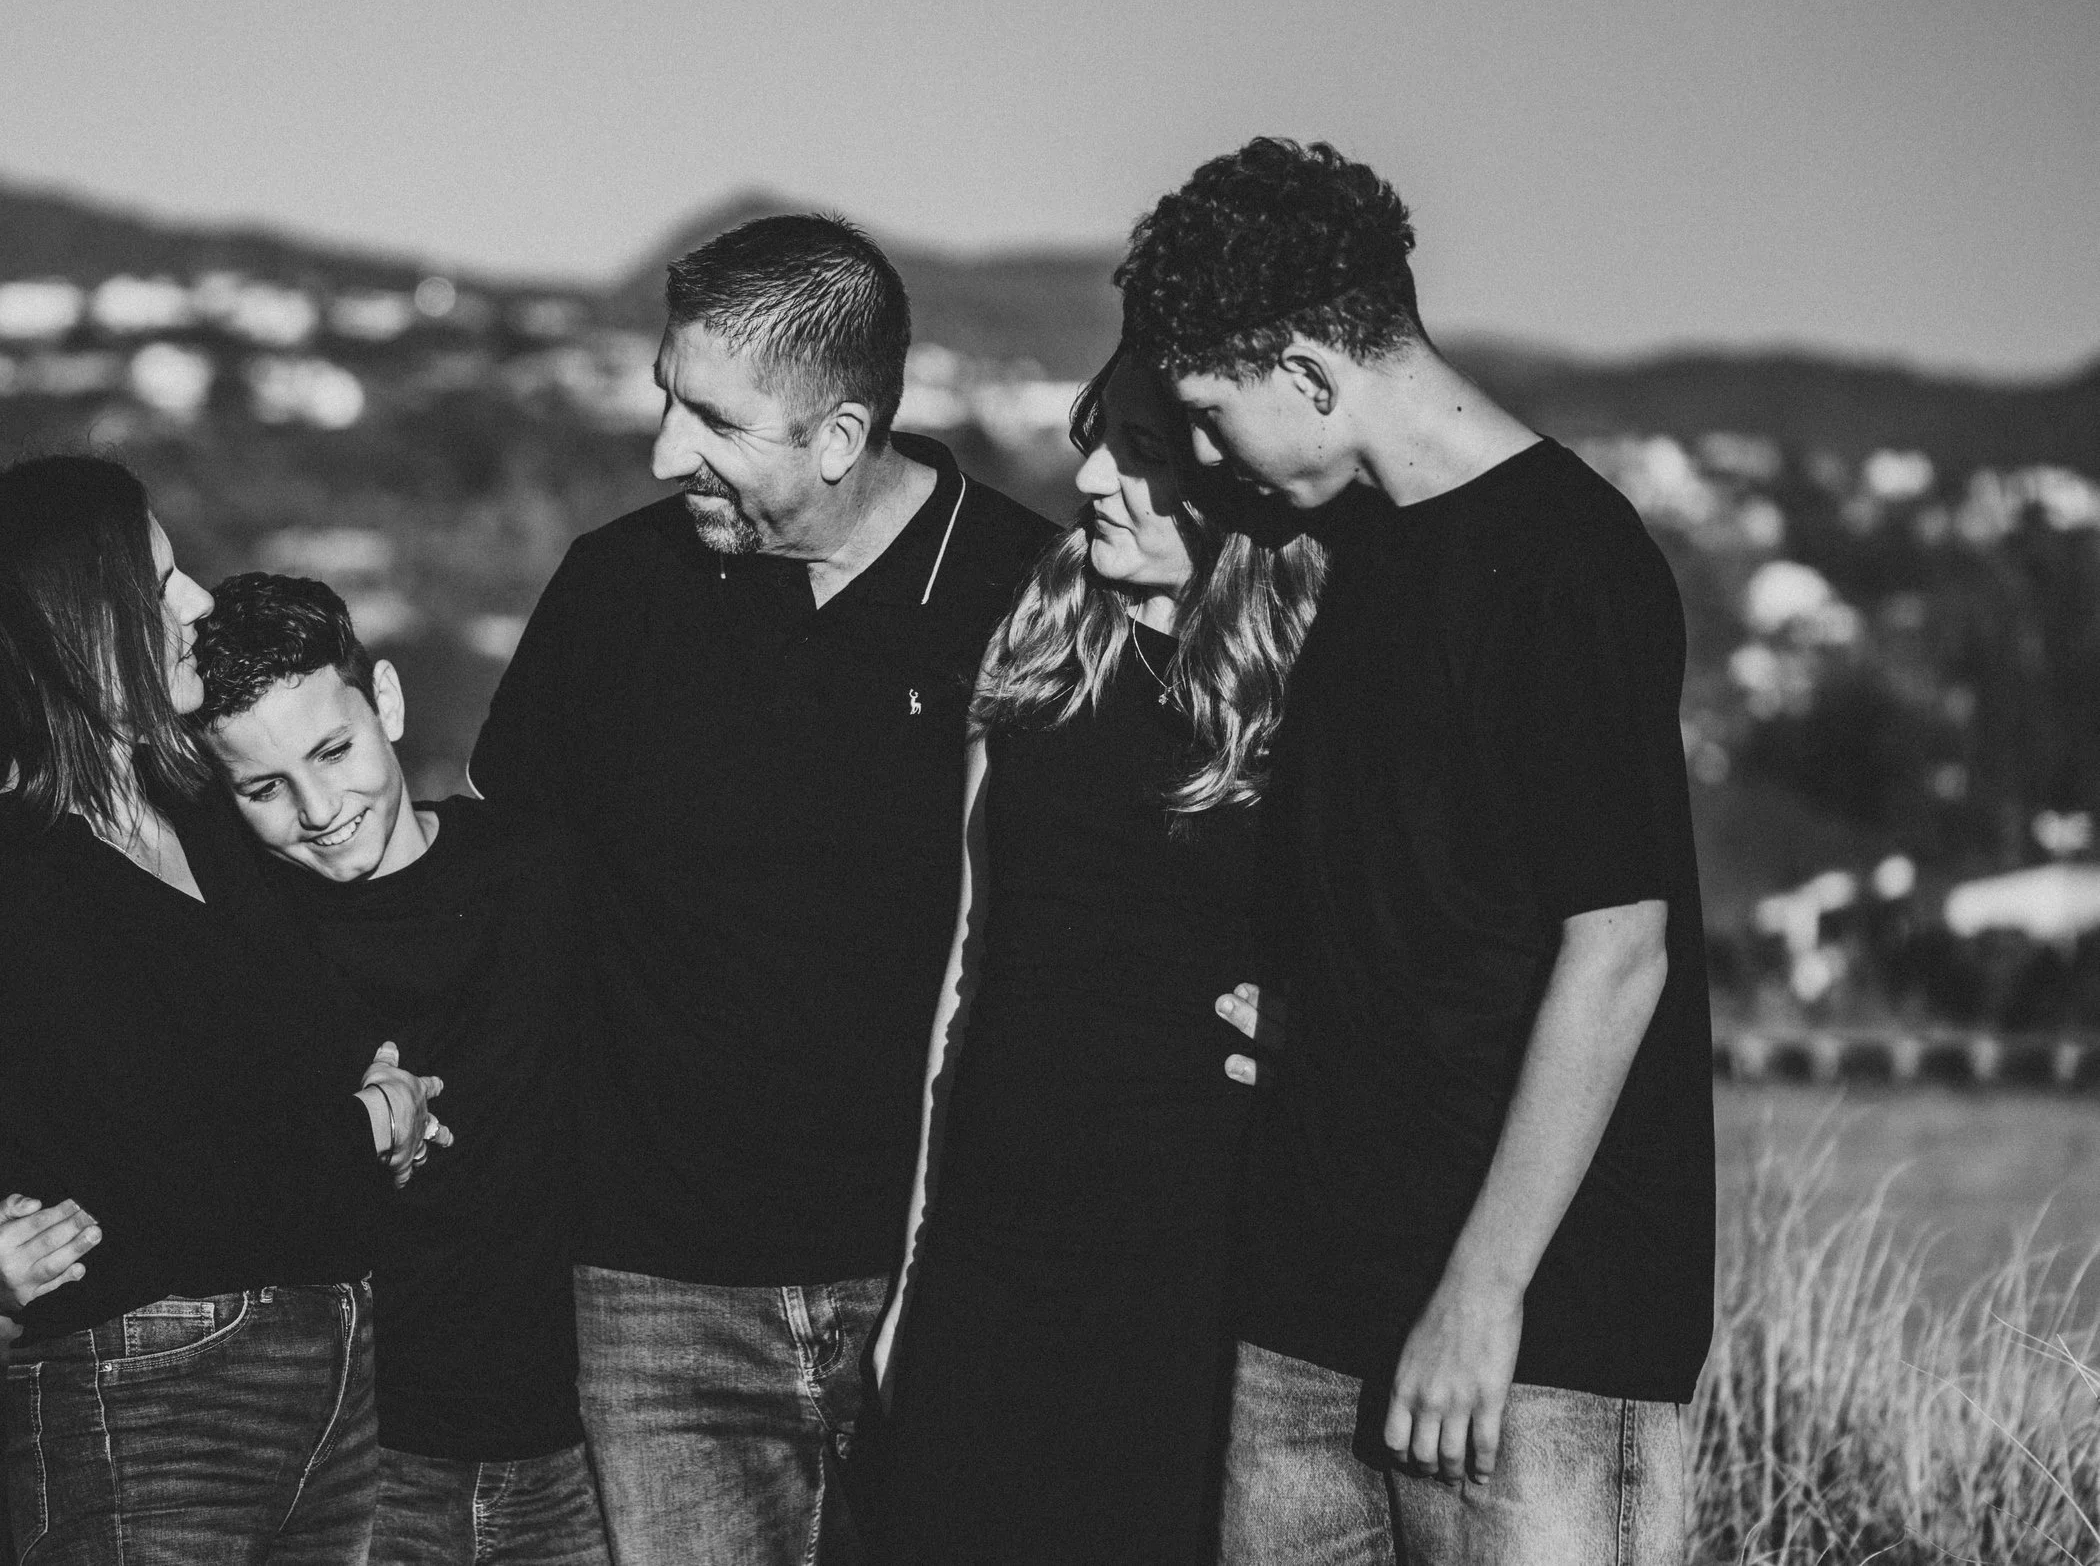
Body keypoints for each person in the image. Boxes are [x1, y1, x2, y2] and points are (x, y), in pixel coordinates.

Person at [1115, 139, 1712, 1565]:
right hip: (1309, 1315)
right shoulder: (1351, 551)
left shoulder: (1569, 562)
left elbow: (1619, 946)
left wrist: (1481, 1291)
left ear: (1311, 374)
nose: (1200, 453)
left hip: (1531, 1347)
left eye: (1210, 411)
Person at [466, 214, 1056, 1564]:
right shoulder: (616, 590)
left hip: (948, 1285)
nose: (668, 450)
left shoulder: (1036, 602)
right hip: (653, 1297)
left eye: (715, 419)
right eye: (666, 397)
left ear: (840, 437)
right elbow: (506, 889)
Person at [0, 570, 611, 1566]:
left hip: (566, 1451)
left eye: (334, 748)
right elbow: (148, 1145)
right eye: (263, 787)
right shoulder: (240, 941)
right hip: (351, 1459)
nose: (318, 806)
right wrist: (15, 1268)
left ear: (385, 703)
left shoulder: (540, 869)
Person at [0, 453, 441, 1566]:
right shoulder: (9, 883)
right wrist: (366, 1125)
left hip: (336, 1363)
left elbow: (333, 1036)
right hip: (157, 1392)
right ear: (65, 626)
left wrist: (381, 1102)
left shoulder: (202, 814)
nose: (197, 602)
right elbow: (174, 1174)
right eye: (155, 586)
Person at [860, 347, 1322, 1564]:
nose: (1096, 473)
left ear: (1234, 481)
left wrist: (1322, 1035)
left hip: (1195, 1263)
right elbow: (966, 962)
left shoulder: (1316, 690)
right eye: (1095, 435)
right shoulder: (1041, 636)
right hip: (995, 1243)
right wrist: (918, 1259)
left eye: (1143, 452)